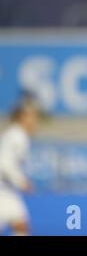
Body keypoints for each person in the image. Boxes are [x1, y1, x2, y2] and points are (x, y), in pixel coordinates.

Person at [0, 96, 41, 235]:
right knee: (21, 225)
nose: (35, 121)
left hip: (6, 190)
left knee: (21, 225)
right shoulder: (18, 136)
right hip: (3, 191)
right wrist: (21, 181)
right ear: (23, 117)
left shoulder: (14, 134)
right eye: (33, 116)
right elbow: (4, 161)